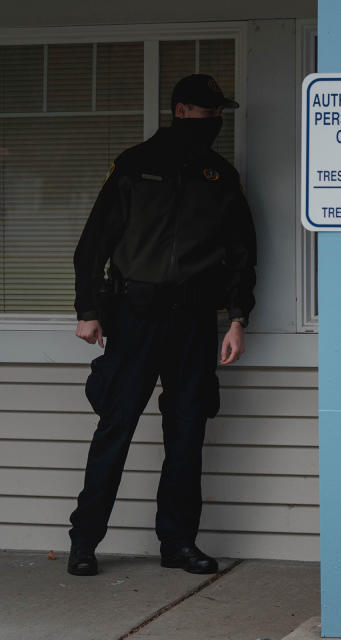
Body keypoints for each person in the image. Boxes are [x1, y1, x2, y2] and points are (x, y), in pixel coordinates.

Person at [67, 74, 257, 577]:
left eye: (219, 113)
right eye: (205, 111)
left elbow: (242, 254)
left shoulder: (220, 175)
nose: (214, 121)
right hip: (135, 314)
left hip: (195, 319)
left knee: (188, 432)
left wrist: (238, 317)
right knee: (116, 426)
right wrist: (88, 310)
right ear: (180, 110)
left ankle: (178, 542)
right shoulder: (135, 165)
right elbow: (94, 245)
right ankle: (84, 541)